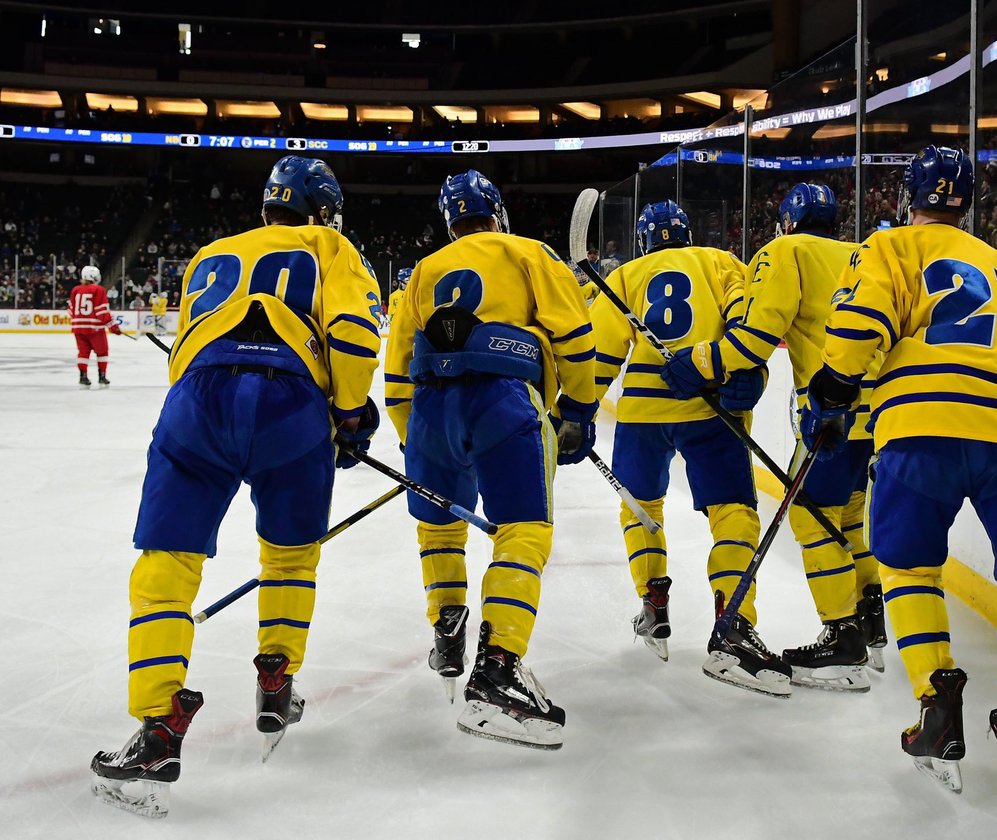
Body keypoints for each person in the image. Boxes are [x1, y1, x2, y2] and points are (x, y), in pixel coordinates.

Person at [803, 145, 997, 834]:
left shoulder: (886, 245)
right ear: (967, 201)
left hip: (919, 424)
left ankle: (934, 706)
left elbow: (861, 325)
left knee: (908, 567)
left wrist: (830, 393)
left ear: (906, 196)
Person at [91, 156, 382, 817]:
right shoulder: (329, 244)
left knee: (167, 561)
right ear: (323, 211)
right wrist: (348, 416)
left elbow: (185, 354)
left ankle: (159, 727)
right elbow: (355, 334)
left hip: (195, 405)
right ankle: (276, 681)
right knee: (290, 555)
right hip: (291, 408)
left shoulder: (213, 253)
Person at [384, 169, 596, 749]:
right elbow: (576, 335)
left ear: (450, 223)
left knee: (440, 522)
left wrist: (415, 436)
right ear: (496, 213)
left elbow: (397, 368)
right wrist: (578, 410)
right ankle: (498, 670)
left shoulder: (423, 271)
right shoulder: (528, 251)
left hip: (430, 405)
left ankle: (447, 628)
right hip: (505, 397)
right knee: (522, 531)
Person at [662, 183, 885, 693]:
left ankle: (843, 639)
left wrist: (701, 362)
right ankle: (870, 619)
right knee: (849, 515)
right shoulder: (863, 253)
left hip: (835, 410)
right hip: (886, 409)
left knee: (810, 514)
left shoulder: (786, 250)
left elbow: (757, 335)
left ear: (786, 221)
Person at [593, 199, 790, 696]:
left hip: (641, 414)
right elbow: (752, 327)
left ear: (643, 241)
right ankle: (735, 624)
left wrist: (575, 410)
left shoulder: (626, 277)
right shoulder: (722, 262)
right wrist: (750, 373)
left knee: (641, 509)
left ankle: (652, 601)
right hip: (710, 408)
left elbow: (601, 354)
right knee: (733, 513)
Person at [68, 265, 122, 388]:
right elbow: (101, 311)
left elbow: (70, 309)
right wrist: (112, 326)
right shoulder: (98, 290)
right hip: (95, 328)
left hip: (78, 328)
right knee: (102, 352)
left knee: (83, 352)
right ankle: (102, 376)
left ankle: (83, 376)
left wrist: (79, 319)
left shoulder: (76, 290)